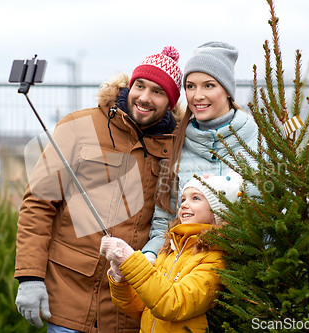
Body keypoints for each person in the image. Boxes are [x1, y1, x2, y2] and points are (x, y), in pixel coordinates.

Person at [14, 46, 184, 333]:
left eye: (157, 92)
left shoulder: (175, 147)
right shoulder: (79, 127)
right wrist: (30, 277)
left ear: (170, 102)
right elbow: (38, 203)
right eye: (139, 86)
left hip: (130, 306)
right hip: (70, 298)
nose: (144, 97)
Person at [99, 173, 243, 332]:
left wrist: (130, 260)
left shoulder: (214, 260)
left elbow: (172, 304)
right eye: (183, 199)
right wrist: (121, 279)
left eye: (195, 198)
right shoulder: (169, 251)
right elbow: (138, 307)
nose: (184, 205)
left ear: (218, 213)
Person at [151, 41, 258, 246]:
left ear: (227, 90)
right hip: (192, 271)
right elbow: (163, 223)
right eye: (191, 86)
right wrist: (150, 256)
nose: (197, 96)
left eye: (209, 85)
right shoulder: (176, 145)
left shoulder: (261, 139)